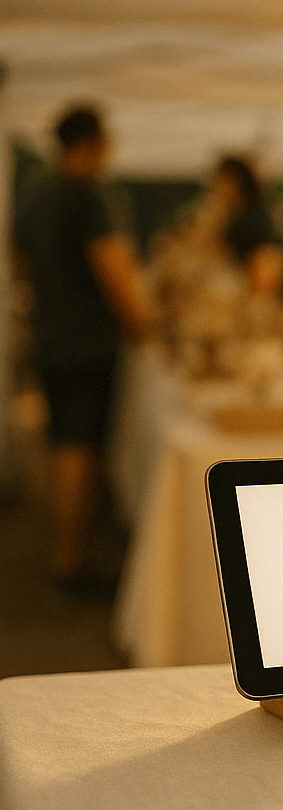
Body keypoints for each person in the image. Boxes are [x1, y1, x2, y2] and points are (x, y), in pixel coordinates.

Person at [13, 105, 149, 584]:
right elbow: (113, 270)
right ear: (92, 143)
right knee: (81, 444)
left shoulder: (35, 197)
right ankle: (72, 559)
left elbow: (19, 263)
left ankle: (65, 547)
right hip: (87, 339)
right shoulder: (87, 198)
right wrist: (142, 324)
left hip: (49, 332)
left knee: (59, 440)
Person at [201, 156, 283, 297]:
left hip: (259, 289)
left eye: (222, 180)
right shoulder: (235, 212)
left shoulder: (255, 215)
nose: (218, 187)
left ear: (235, 181)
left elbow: (267, 259)